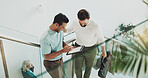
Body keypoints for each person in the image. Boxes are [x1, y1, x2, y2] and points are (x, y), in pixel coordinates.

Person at [66, 9, 107, 78]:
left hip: (91, 49)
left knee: (88, 67)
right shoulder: (75, 22)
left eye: (84, 23)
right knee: (77, 68)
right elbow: (69, 30)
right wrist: (61, 28)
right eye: (80, 22)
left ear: (89, 19)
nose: (82, 24)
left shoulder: (95, 25)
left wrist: (103, 51)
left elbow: (101, 39)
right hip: (78, 48)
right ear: (78, 19)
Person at [40, 13, 73, 78]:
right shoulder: (45, 38)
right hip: (52, 63)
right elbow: (47, 57)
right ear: (56, 24)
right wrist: (62, 51)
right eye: (62, 27)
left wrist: (66, 46)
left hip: (60, 59)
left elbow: (60, 41)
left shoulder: (59, 31)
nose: (64, 29)